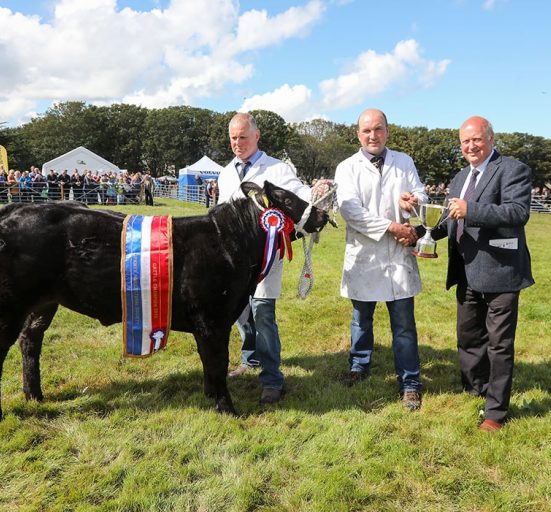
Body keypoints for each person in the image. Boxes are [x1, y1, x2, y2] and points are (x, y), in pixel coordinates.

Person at [428, 115, 534, 431]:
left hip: (501, 271)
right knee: (469, 337)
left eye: (476, 139)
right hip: (466, 270)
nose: (471, 146)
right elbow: (451, 220)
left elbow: (518, 213)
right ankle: (475, 387)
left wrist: (470, 210)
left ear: (490, 138)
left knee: (499, 344)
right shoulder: (461, 177)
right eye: (465, 141)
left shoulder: (513, 169)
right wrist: (421, 231)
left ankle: (496, 412)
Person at [218, 112, 314, 404]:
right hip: (233, 259)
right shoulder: (225, 173)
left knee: (263, 312)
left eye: (243, 137)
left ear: (256, 136)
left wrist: (314, 192)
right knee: (239, 311)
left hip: (266, 256)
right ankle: (250, 358)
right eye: (233, 138)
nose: (238, 143)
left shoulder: (278, 168)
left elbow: (299, 196)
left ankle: (272, 379)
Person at [334, 108, 426, 411]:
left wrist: (412, 202)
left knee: (403, 324)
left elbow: (421, 194)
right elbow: (351, 211)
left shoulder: (404, 161)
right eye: (366, 131)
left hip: (398, 256)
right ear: (358, 134)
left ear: (388, 130)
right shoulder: (347, 167)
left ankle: (410, 382)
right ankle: (359, 366)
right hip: (365, 256)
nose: (373, 136)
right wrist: (391, 226)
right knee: (361, 319)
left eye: (378, 129)